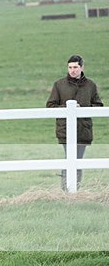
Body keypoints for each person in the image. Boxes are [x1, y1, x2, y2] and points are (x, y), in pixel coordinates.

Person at [46, 55, 103, 188]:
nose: (72, 70)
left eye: (75, 67)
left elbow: (99, 106)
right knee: (69, 159)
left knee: (78, 160)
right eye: (70, 67)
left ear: (82, 67)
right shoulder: (59, 85)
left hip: (83, 129)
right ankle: (66, 189)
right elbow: (50, 105)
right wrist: (66, 108)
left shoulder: (90, 85)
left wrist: (82, 109)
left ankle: (74, 190)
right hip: (64, 129)